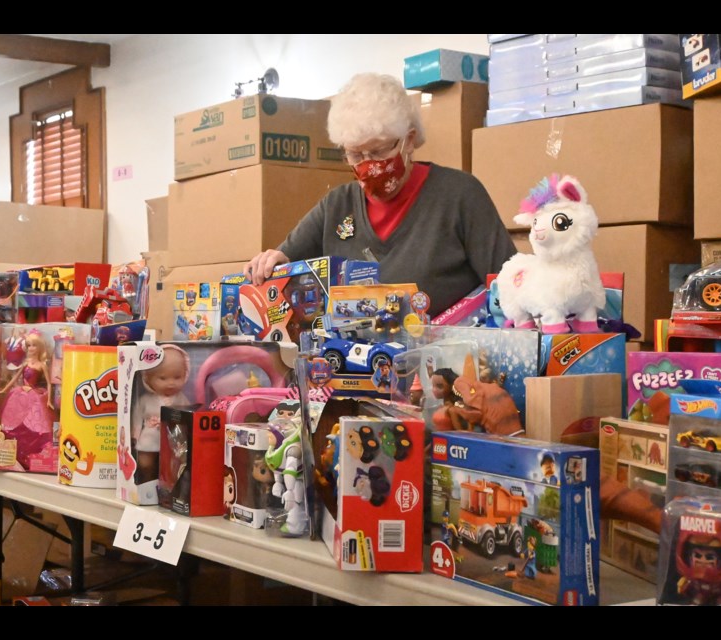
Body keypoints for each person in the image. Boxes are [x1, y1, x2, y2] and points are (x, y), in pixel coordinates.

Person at [244, 72, 516, 319]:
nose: (368, 165)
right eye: (355, 154)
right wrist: (271, 263)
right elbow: (283, 263)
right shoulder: (336, 207)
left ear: (409, 140)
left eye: (378, 151)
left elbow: (513, 284)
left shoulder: (460, 196)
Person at [131, 344, 190, 484]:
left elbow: (189, 415)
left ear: (185, 374)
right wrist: (134, 434)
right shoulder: (145, 400)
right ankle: (146, 480)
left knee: (173, 463)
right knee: (145, 462)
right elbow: (137, 416)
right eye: (162, 378)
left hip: (173, 436)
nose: (171, 383)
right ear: (148, 379)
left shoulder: (181, 398)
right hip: (151, 434)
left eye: (177, 377)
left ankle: (165, 483)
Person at [0, 330, 56, 470]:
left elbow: (49, 382)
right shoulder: (25, 364)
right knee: (11, 422)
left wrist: (49, 399)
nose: (31, 348)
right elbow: (14, 379)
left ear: (39, 347)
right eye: (29, 345)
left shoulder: (42, 366)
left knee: (38, 423)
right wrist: (4, 390)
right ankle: (14, 448)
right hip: (20, 393)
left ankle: (34, 451)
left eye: (34, 345)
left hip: (34, 394)